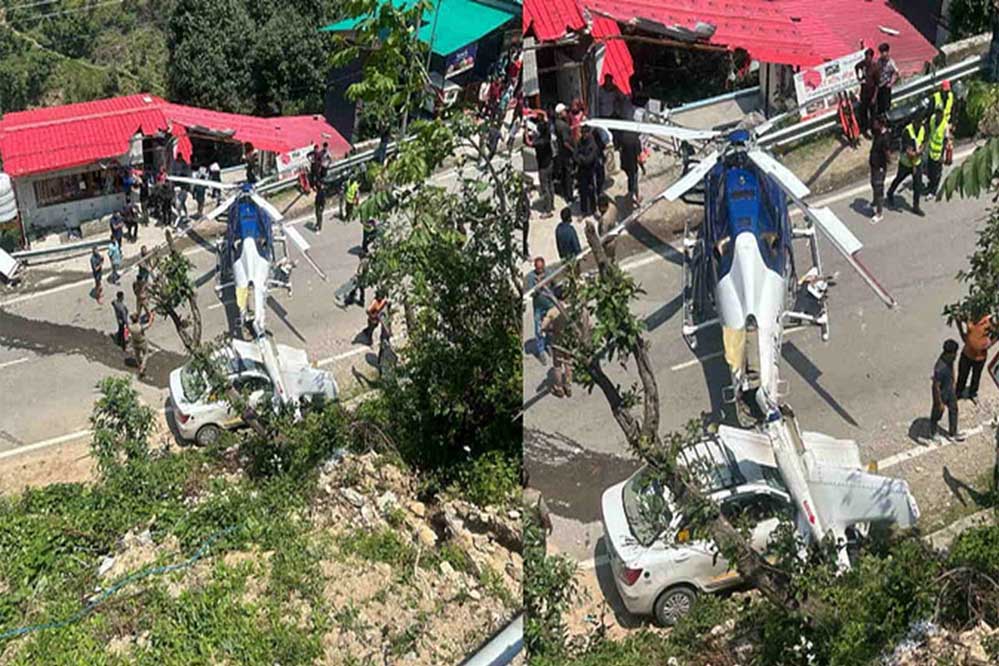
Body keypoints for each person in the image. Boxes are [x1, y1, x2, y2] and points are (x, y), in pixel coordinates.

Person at [887, 118, 926, 216]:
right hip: (906, 163)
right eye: (916, 122)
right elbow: (908, 152)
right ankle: (890, 193)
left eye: (920, 123)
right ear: (913, 122)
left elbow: (923, 143)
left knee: (917, 184)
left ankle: (916, 206)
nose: (918, 125)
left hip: (917, 162)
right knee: (899, 178)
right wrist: (914, 163)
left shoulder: (922, 129)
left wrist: (921, 150)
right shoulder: (907, 131)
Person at [957, 313, 994, 402]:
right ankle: (958, 392)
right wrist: (962, 333)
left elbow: (996, 333)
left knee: (976, 376)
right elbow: (958, 319)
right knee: (962, 375)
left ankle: (973, 393)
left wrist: (990, 343)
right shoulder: (970, 317)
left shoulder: (990, 320)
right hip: (966, 354)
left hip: (980, 357)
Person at [931, 339, 964, 441]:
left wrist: (953, 381)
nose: (956, 355)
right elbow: (935, 386)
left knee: (954, 410)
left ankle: (953, 433)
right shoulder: (940, 368)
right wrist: (939, 402)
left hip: (950, 389)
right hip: (941, 393)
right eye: (955, 353)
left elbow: (952, 367)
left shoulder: (950, 359)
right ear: (949, 353)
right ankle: (932, 431)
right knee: (937, 413)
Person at [526, 109, 554, 218]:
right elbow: (546, 122)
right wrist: (541, 114)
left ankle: (548, 210)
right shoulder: (547, 135)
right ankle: (551, 204)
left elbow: (529, 143)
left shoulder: (540, 142)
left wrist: (526, 132)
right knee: (550, 184)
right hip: (550, 162)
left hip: (543, 166)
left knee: (545, 187)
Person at [526, 257, 555, 362]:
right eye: (538, 269)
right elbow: (531, 293)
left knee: (550, 327)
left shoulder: (548, 272)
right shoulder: (531, 277)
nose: (541, 271)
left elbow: (554, 284)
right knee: (539, 330)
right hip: (538, 307)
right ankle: (541, 351)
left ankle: (549, 344)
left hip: (549, 304)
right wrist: (538, 285)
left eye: (542, 268)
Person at [542, 300, 573, 398]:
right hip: (568, 339)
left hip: (557, 340)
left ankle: (559, 388)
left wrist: (550, 329)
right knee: (568, 362)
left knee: (557, 365)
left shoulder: (553, 311)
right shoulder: (571, 308)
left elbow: (543, 326)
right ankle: (568, 386)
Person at [573, 126, 599, 217]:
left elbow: (589, 160)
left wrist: (580, 157)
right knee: (582, 192)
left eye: (585, 133)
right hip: (581, 171)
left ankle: (594, 209)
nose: (584, 135)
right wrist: (581, 159)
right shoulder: (579, 142)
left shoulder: (593, 145)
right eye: (582, 133)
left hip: (590, 172)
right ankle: (584, 211)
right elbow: (575, 155)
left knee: (591, 191)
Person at [869, 116, 891, 223]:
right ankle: (875, 201)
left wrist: (888, 161)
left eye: (876, 123)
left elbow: (887, 152)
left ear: (880, 124)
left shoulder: (885, 137)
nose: (874, 124)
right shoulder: (877, 133)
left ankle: (879, 213)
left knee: (879, 188)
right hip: (874, 165)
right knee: (873, 183)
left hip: (880, 167)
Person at [924, 110, 949, 199]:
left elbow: (945, 141)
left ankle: (933, 191)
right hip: (930, 151)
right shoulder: (933, 119)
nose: (938, 115)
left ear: (942, 114)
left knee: (936, 174)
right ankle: (929, 186)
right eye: (937, 113)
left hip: (938, 154)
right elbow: (929, 130)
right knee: (929, 171)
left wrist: (942, 155)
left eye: (939, 113)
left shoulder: (945, 126)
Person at [854, 48, 880, 135]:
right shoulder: (863, 64)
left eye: (868, 57)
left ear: (871, 57)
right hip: (864, 93)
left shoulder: (875, 68)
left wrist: (874, 97)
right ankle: (864, 129)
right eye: (866, 57)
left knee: (873, 114)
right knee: (863, 112)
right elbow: (856, 66)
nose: (867, 59)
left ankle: (873, 130)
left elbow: (877, 84)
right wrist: (858, 76)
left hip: (872, 93)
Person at [554, 104, 575, 202]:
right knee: (568, 175)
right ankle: (569, 196)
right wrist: (573, 151)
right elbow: (566, 142)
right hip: (566, 154)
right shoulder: (563, 126)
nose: (566, 112)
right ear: (560, 113)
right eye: (564, 111)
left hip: (561, 153)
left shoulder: (557, 123)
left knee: (563, 173)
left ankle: (564, 192)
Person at [618, 129, 642, 206]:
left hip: (625, 164)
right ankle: (636, 198)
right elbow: (639, 158)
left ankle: (630, 193)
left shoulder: (623, 136)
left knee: (630, 179)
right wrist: (642, 167)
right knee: (634, 181)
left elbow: (620, 149)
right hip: (632, 165)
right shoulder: (636, 141)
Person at [875, 43, 899, 116]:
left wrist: (891, 83)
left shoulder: (891, 62)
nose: (883, 54)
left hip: (886, 86)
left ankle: (887, 117)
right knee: (879, 105)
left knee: (886, 105)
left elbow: (896, 73)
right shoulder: (879, 61)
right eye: (881, 52)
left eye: (884, 52)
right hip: (879, 86)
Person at [596, 194, 620, 261]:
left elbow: (603, 236)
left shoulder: (605, 220)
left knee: (608, 259)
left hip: (608, 243)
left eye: (599, 207)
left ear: (602, 207)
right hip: (614, 236)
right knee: (613, 256)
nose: (598, 208)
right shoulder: (612, 206)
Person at [130, 312, 150, 378]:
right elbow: (148, 325)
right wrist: (151, 318)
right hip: (142, 342)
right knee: (145, 354)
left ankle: (139, 366)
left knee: (137, 355)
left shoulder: (130, 327)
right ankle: (142, 367)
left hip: (135, 342)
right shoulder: (140, 326)